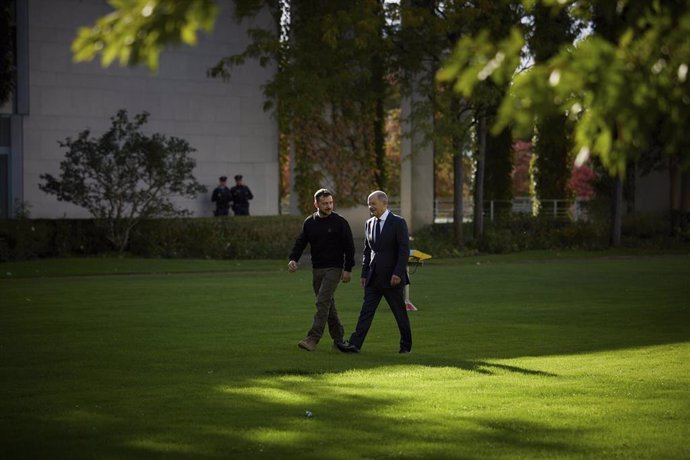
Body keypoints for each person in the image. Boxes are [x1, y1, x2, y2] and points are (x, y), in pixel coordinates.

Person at [337, 190, 412, 354]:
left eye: (373, 204)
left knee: (400, 314)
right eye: (369, 204)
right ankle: (355, 344)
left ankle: (406, 347)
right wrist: (364, 273)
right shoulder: (369, 223)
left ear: (384, 204)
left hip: (392, 278)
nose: (370, 207)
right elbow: (367, 251)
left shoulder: (398, 223)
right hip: (373, 277)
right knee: (366, 312)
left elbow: (404, 251)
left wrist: (398, 273)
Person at [288, 188, 355, 352]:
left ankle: (312, 339)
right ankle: (339, 340)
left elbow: (349, 247)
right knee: (327, 304)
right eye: (325, 203)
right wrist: (293, 259)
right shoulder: (309, 223)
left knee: (322, 301)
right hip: (317, 269)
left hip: (335, 268)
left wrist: (348, 269)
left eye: (331, 203)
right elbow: (301, 243)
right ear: (316, 204)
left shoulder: (340, 222)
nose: (329, 206)